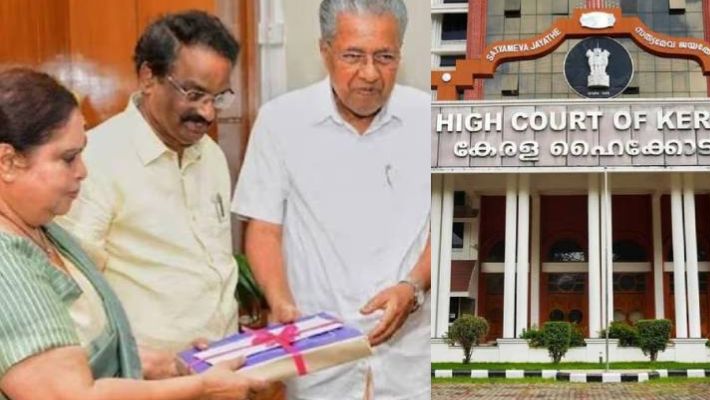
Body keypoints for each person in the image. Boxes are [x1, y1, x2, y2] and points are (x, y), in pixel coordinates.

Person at [0, 67, 266, 400]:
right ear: (7, 161)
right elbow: (68, 396)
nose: (83, 171)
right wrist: (202, 387)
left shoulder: (42, 230)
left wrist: (169, 365)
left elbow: (85, 348)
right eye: (68, 159)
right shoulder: (6, 262)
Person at [231, 0, 430, 398]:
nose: (370, 73)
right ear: (324, 51)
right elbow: (264, 229)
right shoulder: (280, 121)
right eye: (353, 56)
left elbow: (451, 221)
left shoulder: (432, 118)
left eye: (385, 57)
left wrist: (413, 286)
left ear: (400, 54)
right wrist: (281, 304)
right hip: (319, 358)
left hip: (411, 358)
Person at [58, 10, 241, 378]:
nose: (208, 113)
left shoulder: (212, 155)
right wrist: (133, 361)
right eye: (194, 94)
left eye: (218, 97)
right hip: (148, 381)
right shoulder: (95, 161)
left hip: (221, 372)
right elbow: (72, 292)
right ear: (148, 78)